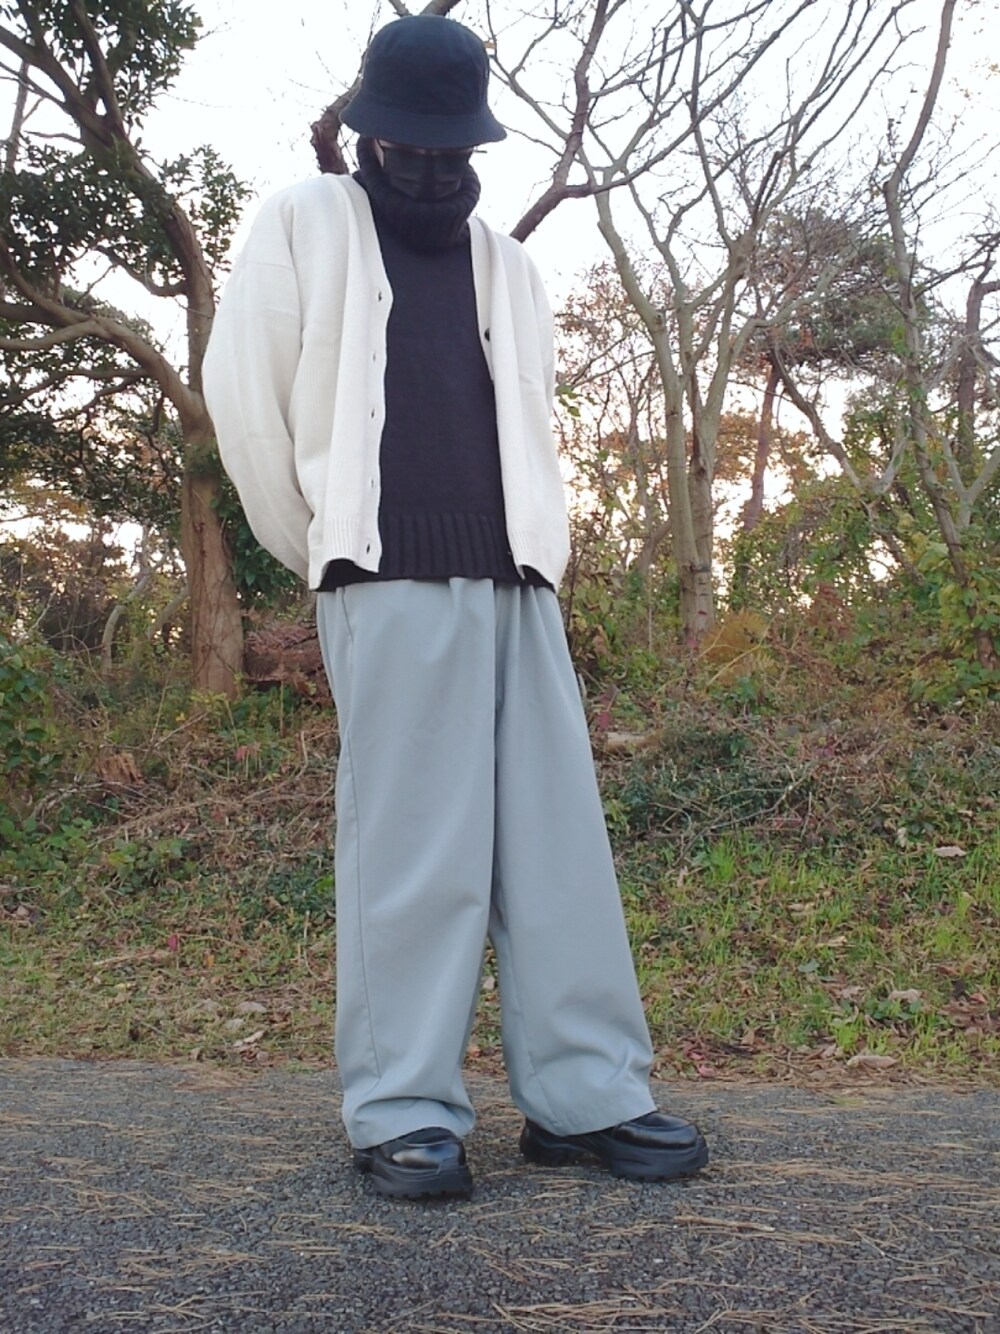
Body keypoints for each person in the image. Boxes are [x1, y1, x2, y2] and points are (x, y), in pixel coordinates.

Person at [203, 13, 708, 1201]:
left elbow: (528, 429)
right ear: (369, 133)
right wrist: (326, 549)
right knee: (415, 848)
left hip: (517, 576)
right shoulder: (302, 219)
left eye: (451, 145)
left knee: (557, 847)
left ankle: (586, 1095)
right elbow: (246, 400)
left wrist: (542, 553)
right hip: (383, 571)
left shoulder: (509, 266)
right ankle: (403, 1107)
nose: (430, 164)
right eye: (407, 142)